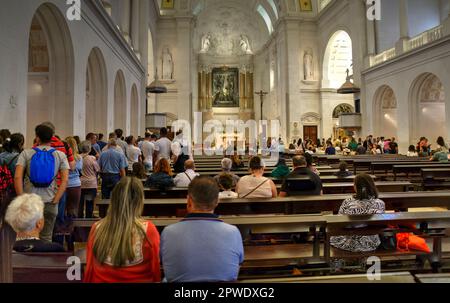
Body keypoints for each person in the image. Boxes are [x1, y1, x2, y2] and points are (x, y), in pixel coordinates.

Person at [161, 176, 244, 282]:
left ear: (189, 201)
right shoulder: (233, 232)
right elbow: (237, 266)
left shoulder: (168, 232)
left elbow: (165, 264)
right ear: (217, 201)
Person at [84, 177, 161, 283]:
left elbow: (90, 268)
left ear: (114, 199)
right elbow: (155, 270)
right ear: (139, 201)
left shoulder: (97, 228)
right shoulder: (148, 231)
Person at [14, 124, 69, 242]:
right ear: (52, 138)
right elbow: (65, 180)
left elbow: (17, 177)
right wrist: (56, 199)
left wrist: (21, 198)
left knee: (27, 236)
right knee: (46, 237)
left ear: (37, 138)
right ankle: (45, 260)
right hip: (50, 200)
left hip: (30, 202)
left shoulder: (26, 153)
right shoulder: (60, 155)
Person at [330, 174, 385, 252]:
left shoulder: (348, 202)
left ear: (356, 187)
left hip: (350, 242)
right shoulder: (380, 203)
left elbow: (340, 222)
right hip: (371, 242)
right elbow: (380, 224)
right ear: (372, 186)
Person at [79, 141, 100, 219]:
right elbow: (97, 169)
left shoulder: (78, 157)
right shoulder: (91, 158)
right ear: (89, 149)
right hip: (90, 184)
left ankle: (79, 219)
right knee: (89, 203)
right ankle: (88, 218)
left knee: (80, 204)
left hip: (80, 184)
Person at [64, 137, 83, 219]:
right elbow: (80, 169)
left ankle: (62, 229)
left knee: (62, 209)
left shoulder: (62, 157)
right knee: (74, 209)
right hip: (75, 184)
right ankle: (74, 229)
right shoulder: (79, 158)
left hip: (64, 184)